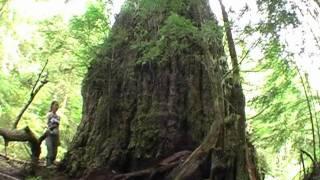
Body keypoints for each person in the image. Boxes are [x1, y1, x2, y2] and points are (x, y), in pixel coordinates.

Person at [45, 100, 61, 166]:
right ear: (52, 106)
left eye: (57, 105)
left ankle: (52, 163)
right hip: (49, 135)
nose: (56, 107)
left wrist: (59, 138)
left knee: (55, 152)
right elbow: (47, 124)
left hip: (56, 135)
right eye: (55, 105)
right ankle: (48, 164)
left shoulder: (58, 117)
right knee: (50, 150)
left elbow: (58, 127)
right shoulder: (49, 114)